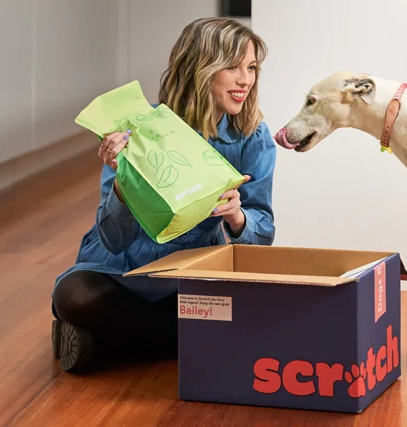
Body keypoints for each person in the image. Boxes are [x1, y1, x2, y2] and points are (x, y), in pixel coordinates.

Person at [50, 17, 277, 374]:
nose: (245, 80)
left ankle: (100, 342)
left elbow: (262, 233)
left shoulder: (254, 138)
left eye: (251, 68)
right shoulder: (138, 129)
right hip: (127, 271)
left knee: (257, 307)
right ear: (200, 68)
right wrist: (124, 185)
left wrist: (237, 217)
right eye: (232, 67)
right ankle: (172, 339)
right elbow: (111, 239)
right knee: (74, 295)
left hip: (192, 277)